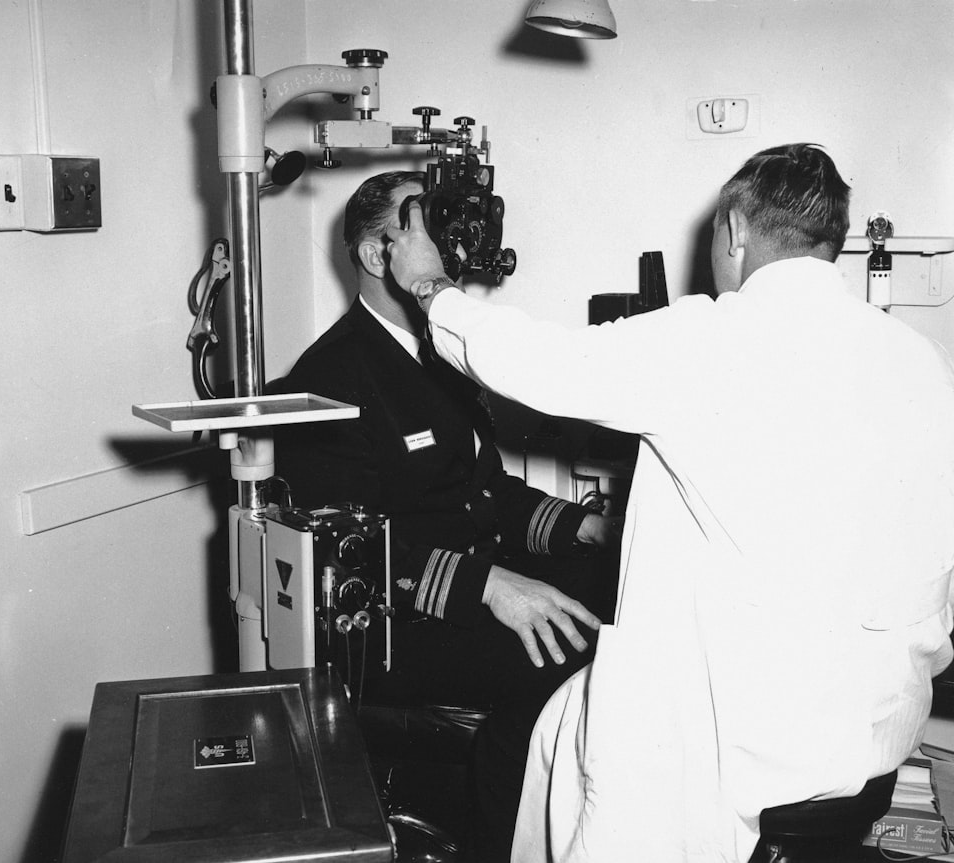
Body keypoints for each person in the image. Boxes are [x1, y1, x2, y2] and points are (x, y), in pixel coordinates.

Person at [385, 144, 954, 862]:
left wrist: (433, 287)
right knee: (564, 717)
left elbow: (544, 364)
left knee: (564, 742)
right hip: (878, 725)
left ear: (734, 231)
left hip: (752, 751)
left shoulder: (713, 336)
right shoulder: (921, 359)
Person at [272, 170, 621, 861]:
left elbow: (484, 491)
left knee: (623, 592)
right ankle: (499, 842)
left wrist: (584, 526)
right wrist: (492, 586)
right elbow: (348, 552)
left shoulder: (443, 352)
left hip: (466, 590)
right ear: (379, 256)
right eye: (428, 230)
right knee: (561, 657)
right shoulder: (331, 377)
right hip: (396, 627)